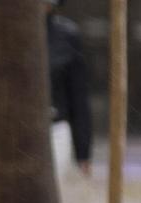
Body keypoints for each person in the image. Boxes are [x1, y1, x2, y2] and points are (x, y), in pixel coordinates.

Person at [46, 0, 93, 179]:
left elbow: (78, 94)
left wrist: (83, 150)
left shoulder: (66, 35)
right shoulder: (9, 34)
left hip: (55, 124)